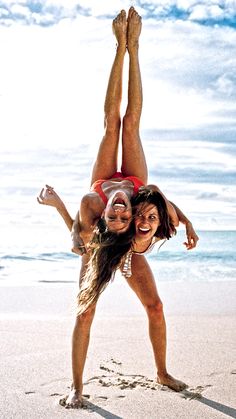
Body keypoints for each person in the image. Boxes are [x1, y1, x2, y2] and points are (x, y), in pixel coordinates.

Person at [38, 7, 199, 408]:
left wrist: (58, 204)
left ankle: (123, 47)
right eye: (124, 216)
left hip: (101, 209)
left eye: (118, 214)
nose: (121, 208)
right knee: (132, 123)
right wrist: (187, 223)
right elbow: (163, 203)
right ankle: (78, 387)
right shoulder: (140, 204)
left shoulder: (93, 202)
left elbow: (78, 238)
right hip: (113, 245)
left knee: (112, 124)